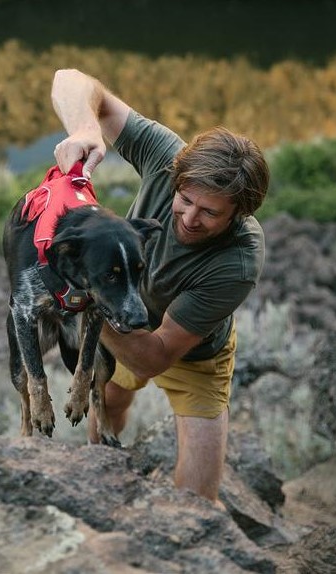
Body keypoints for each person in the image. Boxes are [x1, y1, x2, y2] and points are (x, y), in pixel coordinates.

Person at [51, 68, 269, 509]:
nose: (189, 218)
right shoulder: (166, 156)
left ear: (238, 214)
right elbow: (69, 79)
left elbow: (153, 356)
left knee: (196, 502)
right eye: (185, 200)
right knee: (107, 407)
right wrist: (87, 127)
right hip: (126, 318)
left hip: (192, 352)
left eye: (209, 212)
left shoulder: (238, 260)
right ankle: (103, 503)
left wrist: (88, 297)